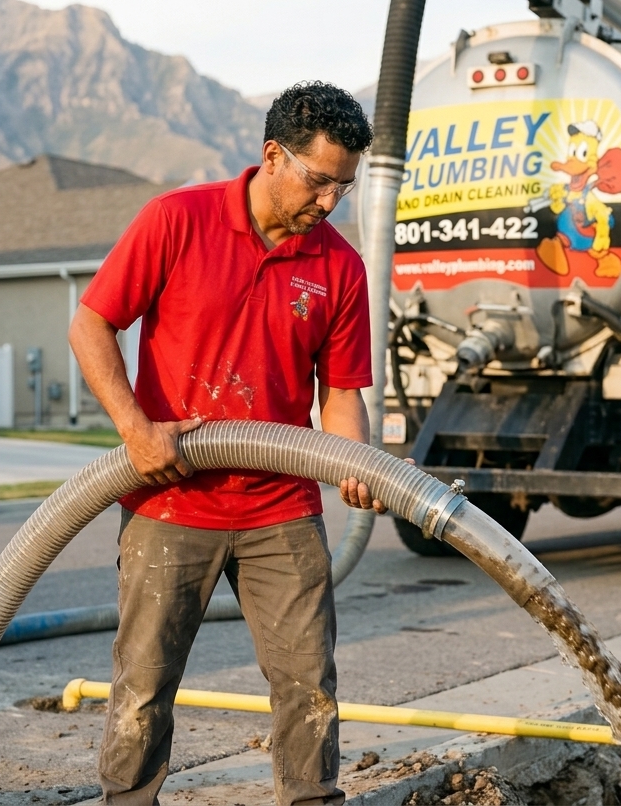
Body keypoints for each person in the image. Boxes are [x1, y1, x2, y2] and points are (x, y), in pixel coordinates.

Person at [69, 81, 385, 806]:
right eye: (319, 180)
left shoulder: (338, 266)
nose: (330, 201)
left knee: (309, 684)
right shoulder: (177, 220)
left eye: (345, 186)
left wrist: (354, 464)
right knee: (144, 684)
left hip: (281, 508)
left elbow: (340, 392)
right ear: (274, 155)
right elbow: (91, 326)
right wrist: (134, 430)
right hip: (171, 500)